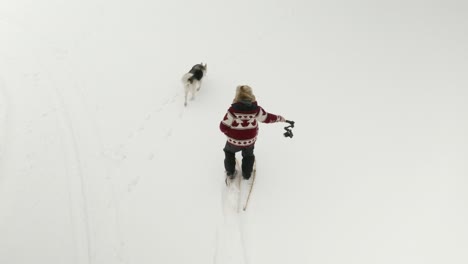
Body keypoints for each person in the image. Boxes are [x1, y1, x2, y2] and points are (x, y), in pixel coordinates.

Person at [219, 85, 287, 181]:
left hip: (233, 141)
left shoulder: (232, 111)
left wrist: (228, 132)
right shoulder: (256, 110)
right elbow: (267, 118)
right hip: (250, 141)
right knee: (248, 155)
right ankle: (247, 174)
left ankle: (230, 172)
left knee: (229, 152)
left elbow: (223, 127)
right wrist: (279, 118)